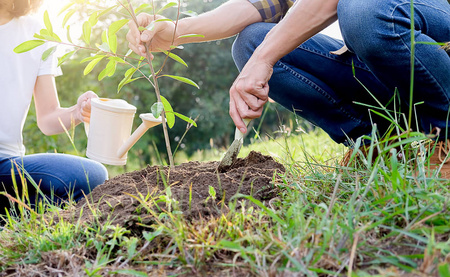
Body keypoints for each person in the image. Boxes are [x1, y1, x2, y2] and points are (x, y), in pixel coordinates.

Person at [127, 0, 450, 175]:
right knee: (252, 43)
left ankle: (446, 131)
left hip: (435, 48)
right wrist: (177, 32)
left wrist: (264, 60)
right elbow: (257, 6)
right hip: (389, 71)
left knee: (364, 10)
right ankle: (380, 142)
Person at [0, 0, 108, 212]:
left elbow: (48, 118)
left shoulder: (37, 33)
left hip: (7, 165)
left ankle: (16, 215)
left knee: (91, 176)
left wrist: (77, 112)